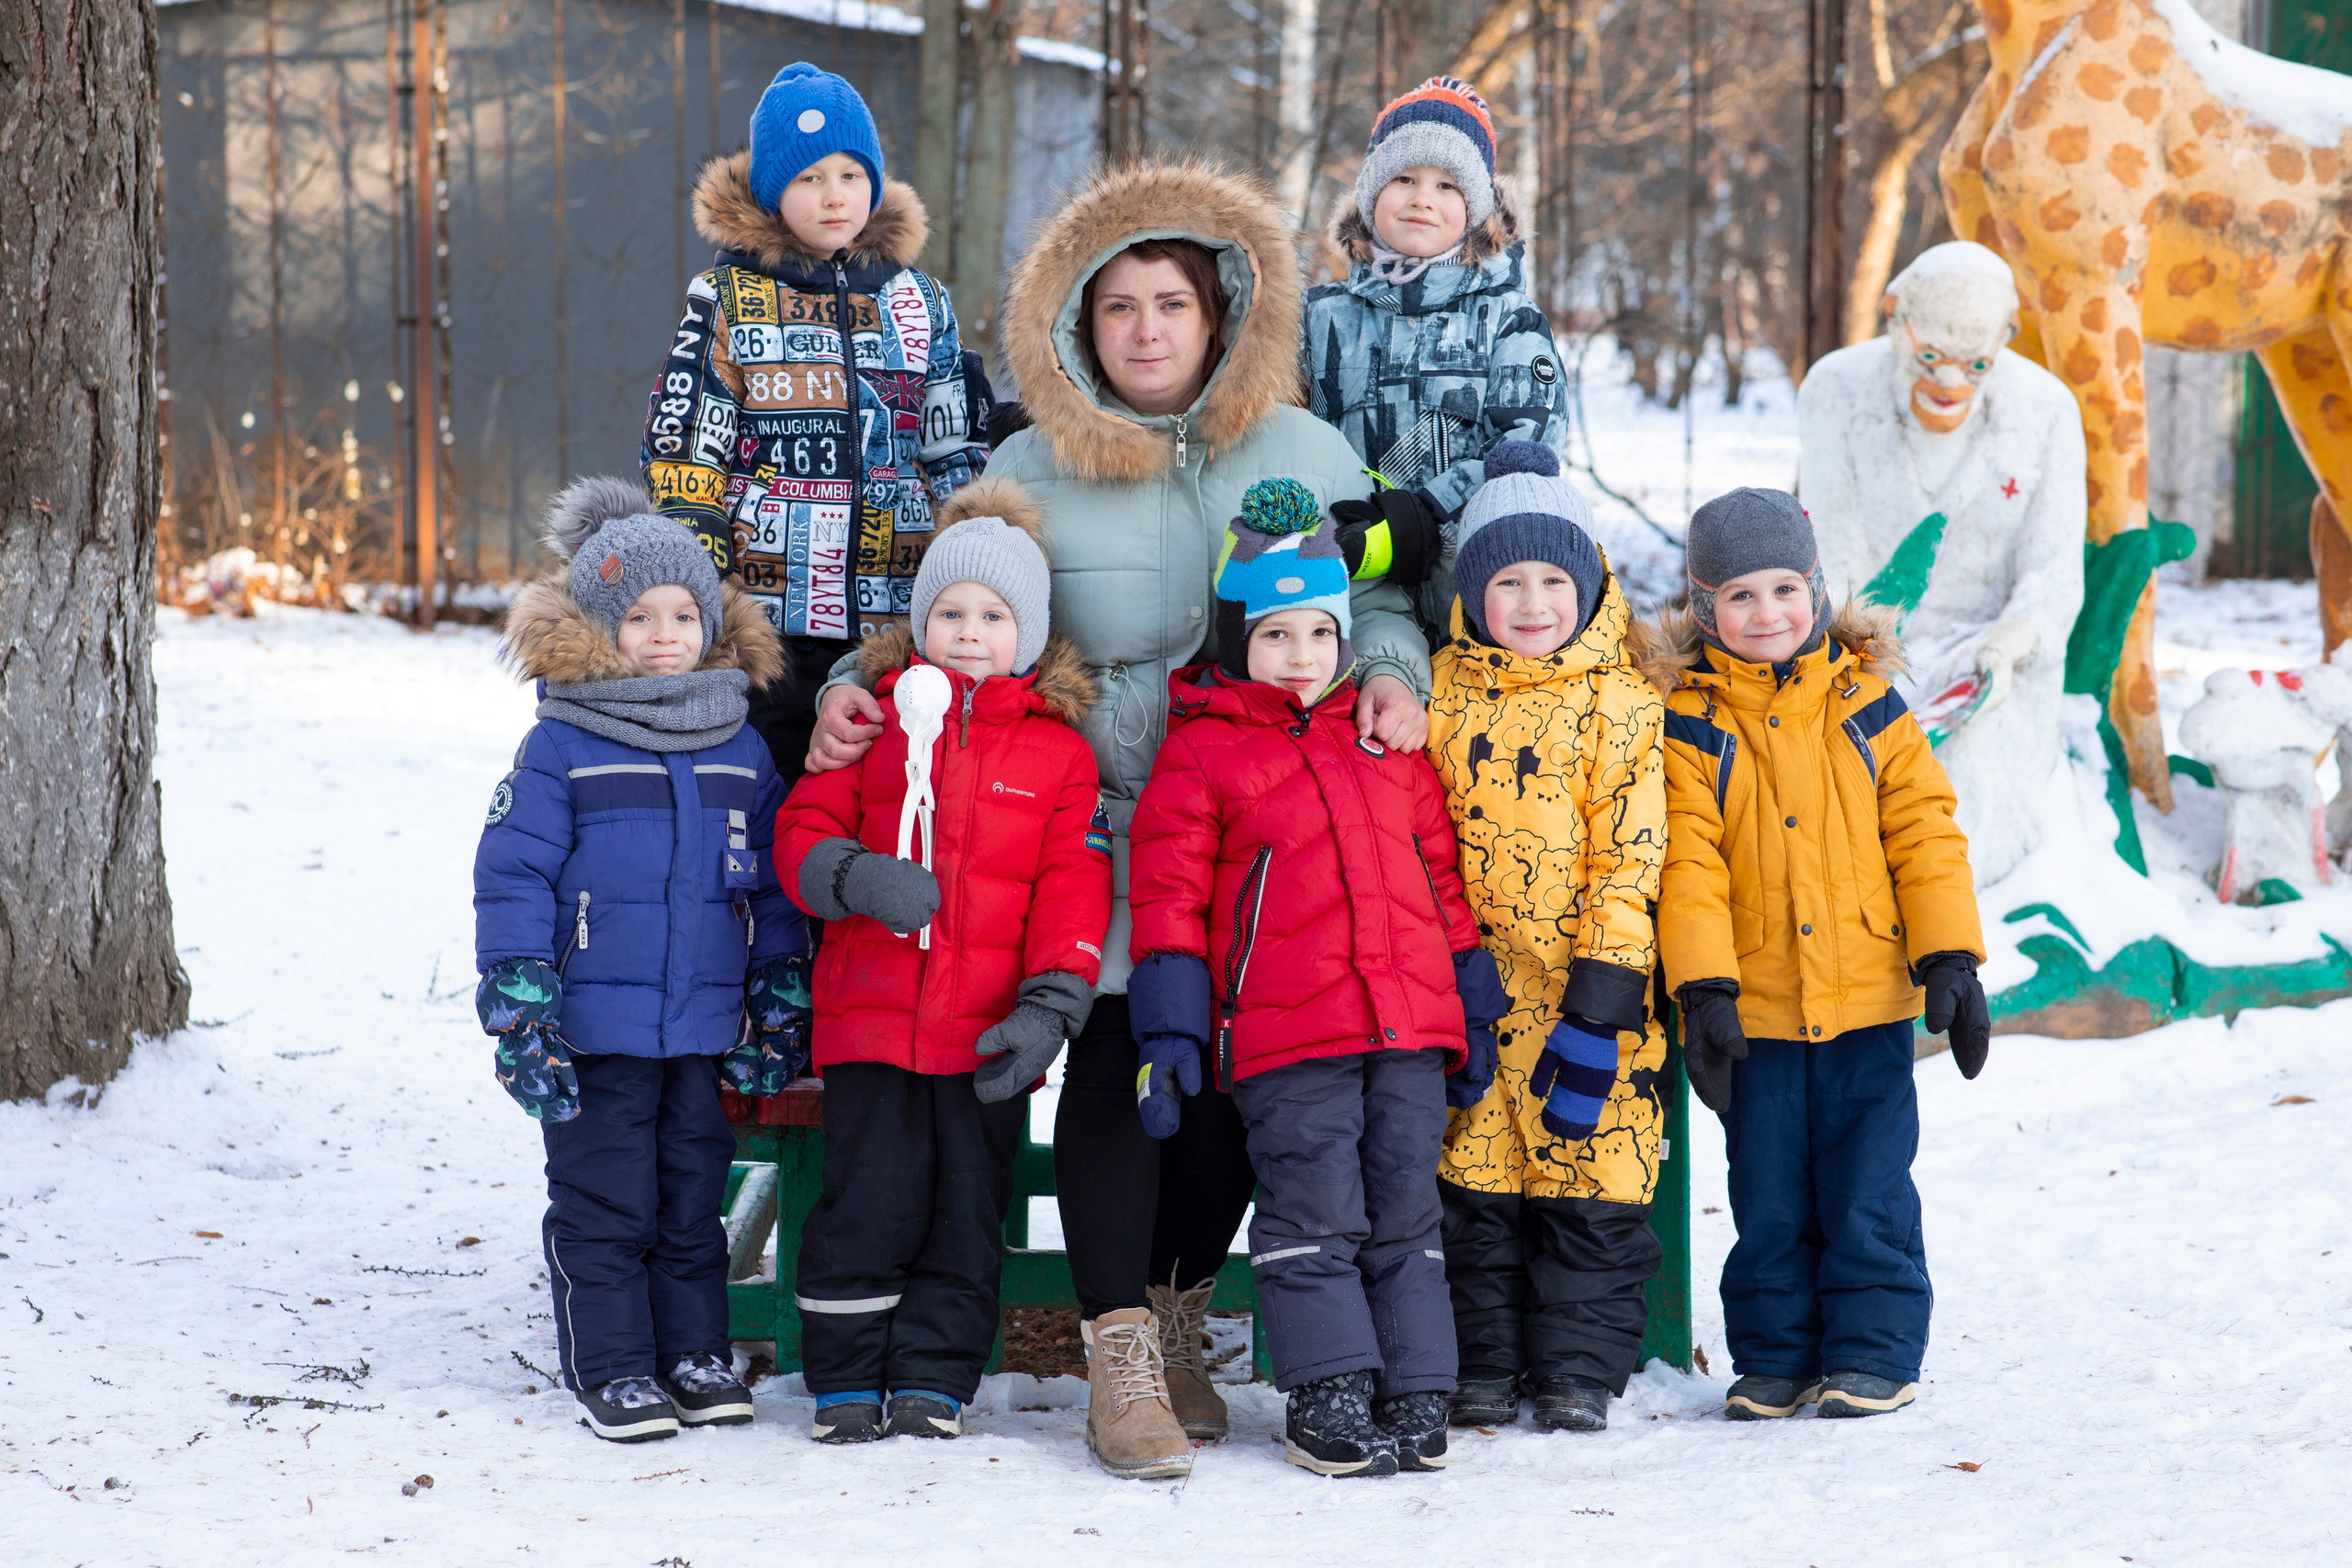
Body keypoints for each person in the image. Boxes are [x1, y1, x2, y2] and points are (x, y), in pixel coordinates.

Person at [802, 162, 1435, 1480]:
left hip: (1265, 816)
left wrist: (1390, 670)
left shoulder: (1308, 455)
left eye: (1174, 304)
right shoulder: (1029, 464)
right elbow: (956, 608)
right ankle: (1118, 1348)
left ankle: (1187, 1304)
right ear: (1077, 329)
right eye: (1119, 309)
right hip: (1084, 825)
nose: (1148, 330)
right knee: (1111, 1053)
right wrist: (862, 695)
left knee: (1235, 1075)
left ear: (1224, 316)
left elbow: (1375, 601)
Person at [1125, 481, 1505, 1477]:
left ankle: (1414, 1381)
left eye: (1319, 635)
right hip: (1288, 1038)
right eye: (1276, 636)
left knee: (1405, 1203)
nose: (1301, 658)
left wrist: (1471, 1002)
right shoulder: (1201, 752)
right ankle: (1329, 1386)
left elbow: (1440, 884)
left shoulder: (1387, 745)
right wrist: (1169, 1036)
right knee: (1315, 1207)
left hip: (1410, 1028)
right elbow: (1167, 902)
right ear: (1235, 640)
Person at [772, 479, 1110, 1444]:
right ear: (920, 625)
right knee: (864, 1205)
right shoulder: (874, 724)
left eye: (994, 616)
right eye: (950, 612)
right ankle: (843, 1378)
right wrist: (854, 877)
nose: (970, 632)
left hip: (986, 1032)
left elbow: (1072, 888)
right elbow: (798, 834)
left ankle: (934, 1377)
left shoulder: (1057, 754)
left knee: (966, 1209)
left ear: (1031, 635)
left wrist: (1048, 1008)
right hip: (870, 1019)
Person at [472, 477, 809, 1443]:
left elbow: (773, 885)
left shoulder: (739, 749)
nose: (664, 634)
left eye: (683, 614)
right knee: (604, 1197)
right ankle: (614, 1365)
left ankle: (694, 1353)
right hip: (594, 1030)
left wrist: (777, 995)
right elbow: (513, 881)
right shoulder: (563, 748)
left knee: (690, 1199)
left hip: (701, 1028)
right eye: (639, 617)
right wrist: (521, 1006)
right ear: (599, 626)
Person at [1656, 486, 1992, 1422]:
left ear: (1815, 589)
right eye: (1738, 597)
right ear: (1702, 606)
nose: (1766, 615)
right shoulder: (1690, 722)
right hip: (1756, 1008)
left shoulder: (1868, 705)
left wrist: (1949, 961)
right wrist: (1704, 989)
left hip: (1866, 1002)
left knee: (1866, 1188)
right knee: (1764, 1197)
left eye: (1782, 591)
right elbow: (1686, 863)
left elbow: (1923, 831)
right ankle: (1775, 1356)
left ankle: (1874, 1351)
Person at [640, 62, 989, 784]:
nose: (834, 196)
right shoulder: (726, 297)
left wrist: (971, 567)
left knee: (885, 806)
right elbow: (685, 453)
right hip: (771, 626)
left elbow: (954, 454)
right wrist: (703, 596)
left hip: (895, 623)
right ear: (772, 190)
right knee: (771, 808)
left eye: (850, 175)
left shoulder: (919, 301)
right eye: (808, 179)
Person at [1422, 441, 1671, 1435]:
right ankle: (1481, 1362)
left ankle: (1575, 1370)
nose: (1531, 603)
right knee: (1471, 1185)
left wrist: (1602, 997)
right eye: (1507, 581)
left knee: (1593, 1180)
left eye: (1553, 580)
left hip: (1588, 996)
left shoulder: (1622, 703)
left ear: (1590, 583)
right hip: (1470, 990)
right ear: (1473, 593)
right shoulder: (1439, 694)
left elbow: (1632, 854)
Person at [1303, 75, 1572, 637]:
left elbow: (1530, 444)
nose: (1423, 197)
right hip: (1342, 582)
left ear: (1477, 209)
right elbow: (1283, 430)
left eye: (1448, 186)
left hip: (1470, 592)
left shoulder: (1509, 318)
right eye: (1403, 178)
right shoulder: (1317, 316)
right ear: (1372, 193)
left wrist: (1426, 514)